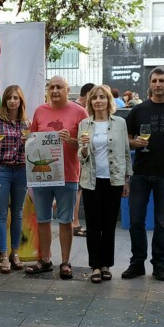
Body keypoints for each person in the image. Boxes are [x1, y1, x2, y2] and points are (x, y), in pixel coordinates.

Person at [122, 66, 164, 281]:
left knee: (162, 222)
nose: (158, 84)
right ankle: (137, 263)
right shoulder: (138, 110)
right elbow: (127, 140)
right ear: (150, 84)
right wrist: (135, 142)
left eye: (162, 80)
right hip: (140, 173)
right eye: (154, 81)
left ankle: (159, 265)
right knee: (136, 221)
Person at [25, 76, 88, 280]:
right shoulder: (40, 111)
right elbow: (32, 140)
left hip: (68, 174)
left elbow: (86, 144)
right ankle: (45, 260)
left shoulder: (80, 112)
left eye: (59, 87)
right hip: (42, 175)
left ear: (67, 90)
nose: (54, 90)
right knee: (43, 219)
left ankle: (65, 262)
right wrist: (27, 141)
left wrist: (70, 140)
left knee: (66, 221)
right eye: (51, 87)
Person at [77, 85, 132, 282]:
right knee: (93, 225)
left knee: (109, 225)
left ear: (109, 101)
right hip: (91, 181)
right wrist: (84, 148)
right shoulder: (84, 124)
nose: (98, 101)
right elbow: (81, 156)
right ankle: (95, 266)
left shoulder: (120, 123)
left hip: (114, 180)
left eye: (102, 97)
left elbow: (125, 152)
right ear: (90, 102)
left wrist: (126, 179)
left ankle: (106, 264)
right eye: (94, 98)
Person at [0, 85, 28, 274]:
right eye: (9, 98)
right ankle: (3, 255)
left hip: (21, 171)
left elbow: (33, 150)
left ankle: (15, 253)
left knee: (18, 213)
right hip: (1, 170)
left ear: (21, 101)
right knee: (1, 214)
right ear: (5, 101)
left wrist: (29, 142)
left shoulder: (26, 123)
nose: (12, 101)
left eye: (15, 98)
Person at [72, 82, 94, 237]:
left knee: (75, 190)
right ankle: (74, 223)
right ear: (88, 94)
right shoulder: (81, 111)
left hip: (75, 155)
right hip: (77, 157)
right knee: (76, 190)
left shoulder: (74, 108)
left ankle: (74, 222)